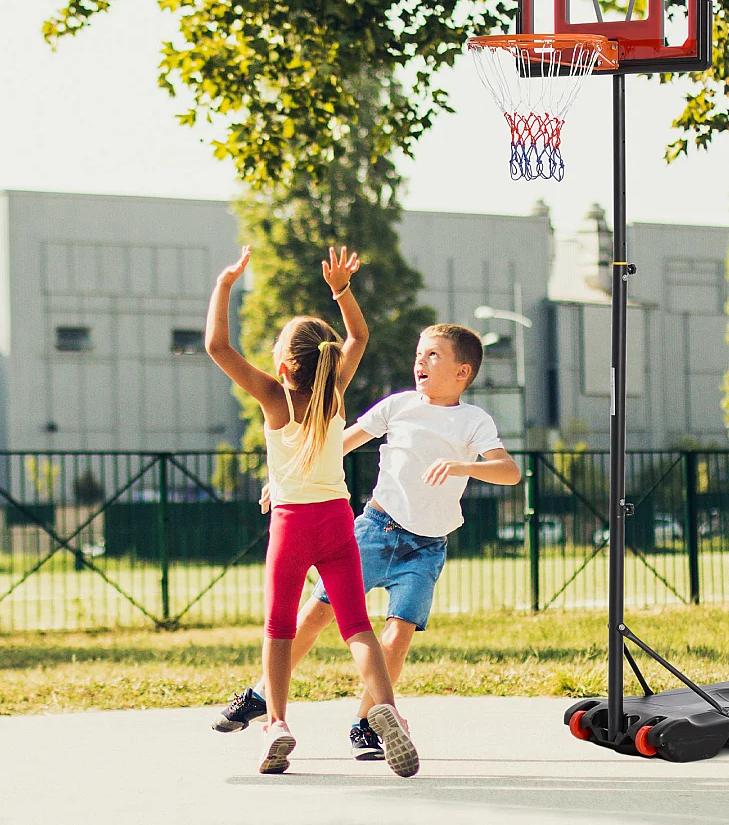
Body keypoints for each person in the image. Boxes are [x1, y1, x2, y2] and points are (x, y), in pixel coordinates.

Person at [211, 323, 520, 760]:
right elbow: (336, 441)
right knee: (318, 615)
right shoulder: (398, 406)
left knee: (398, 634)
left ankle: (367, 722)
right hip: (376, 528)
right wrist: (285, 477)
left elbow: (509, 471)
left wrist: (462, 466)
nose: (420, 361)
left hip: (427, 546)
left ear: (462, 372)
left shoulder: (474, 421)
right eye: (419, 352)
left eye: (433, 355)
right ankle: (262, 693)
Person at [205, 245, 419, 777]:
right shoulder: (334, 393)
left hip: (292, 526)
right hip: (337, 522)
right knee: (357, 627)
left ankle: (276, 722)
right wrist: (342, 290)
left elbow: (216, 345)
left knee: (279, 628)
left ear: (282, 365)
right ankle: (385, 710)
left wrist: (225, 284)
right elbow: (360, 338)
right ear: (324, 360)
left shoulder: (274, 397)